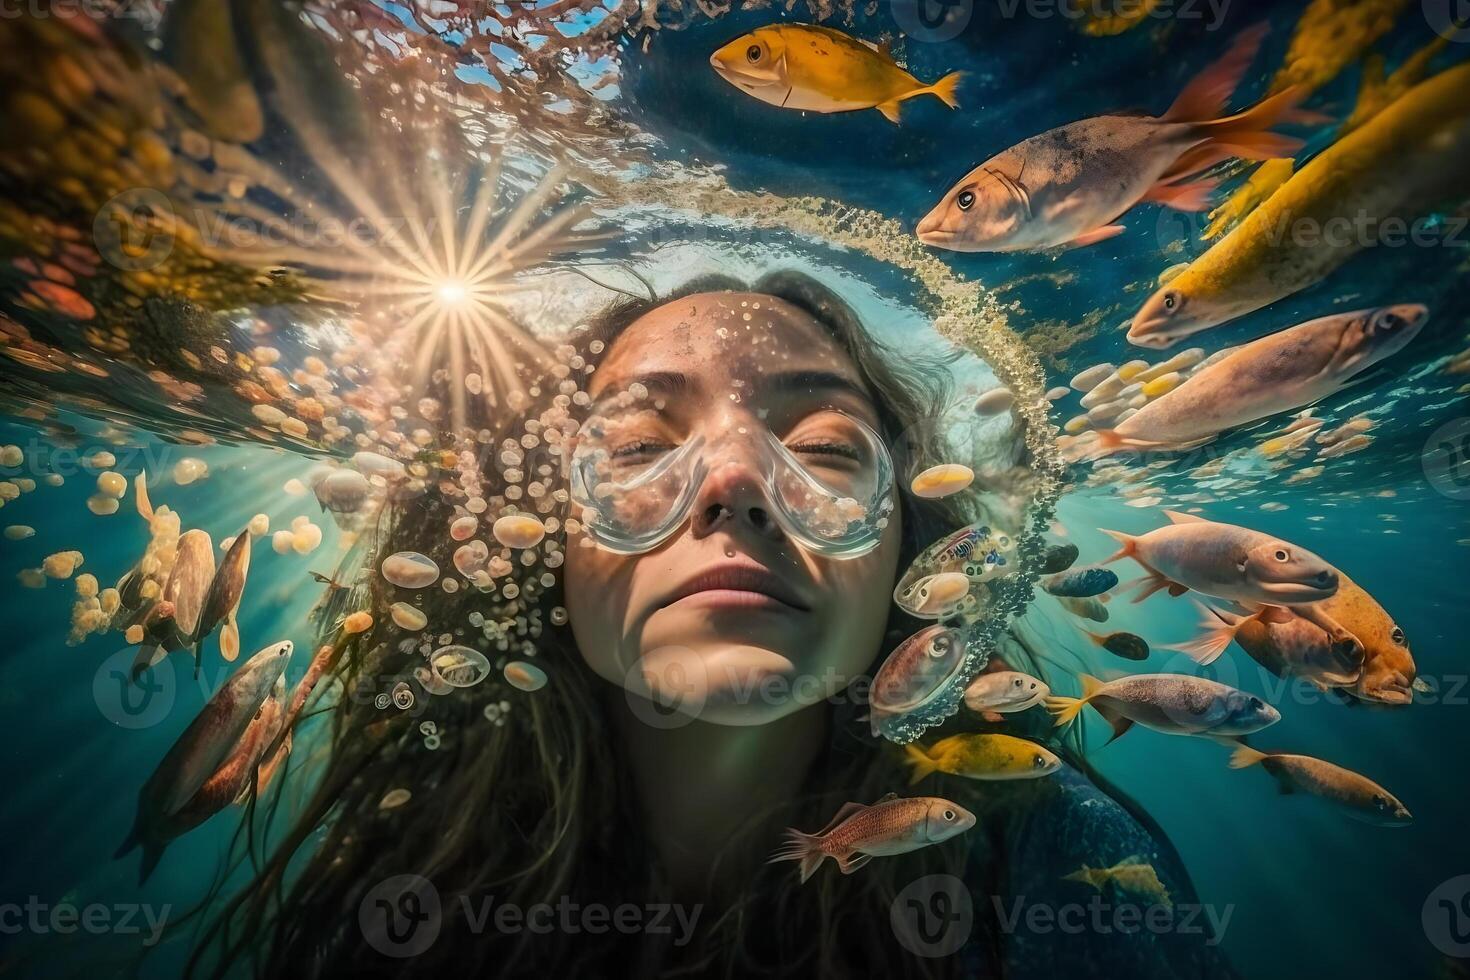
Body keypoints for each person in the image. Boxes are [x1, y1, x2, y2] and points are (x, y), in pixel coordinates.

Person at [195, 271, 1235, 979]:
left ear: (915, 551)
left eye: (826, 447)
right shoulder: (423, 865)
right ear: (538, 537)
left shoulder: (1054, 856)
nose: (735, 481)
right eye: (641, 440)